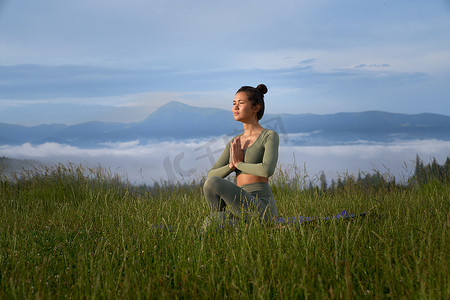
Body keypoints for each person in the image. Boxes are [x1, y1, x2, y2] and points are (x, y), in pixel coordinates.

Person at [202, 84, 279, 229]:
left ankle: (262, 224)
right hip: (239, 206)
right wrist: (231, 166)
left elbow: (267, 170)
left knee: (214, 183)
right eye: (233, 104)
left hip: (261, 206)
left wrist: (238, 164)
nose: (235, 108)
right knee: (212, 220)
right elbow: (211, 174)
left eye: (241, 103)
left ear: (256, 108)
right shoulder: (235, 141)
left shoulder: (269, 136)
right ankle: (223, 224)